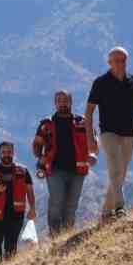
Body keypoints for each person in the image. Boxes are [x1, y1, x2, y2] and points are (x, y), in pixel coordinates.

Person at [85, 47, 133, 221]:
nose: (120, 64)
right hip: (108, 132)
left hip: (130, 132)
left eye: (123, 60)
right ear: (109, 62)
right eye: (117, 60)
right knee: (115, 169)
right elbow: (89, 111)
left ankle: (106, 213)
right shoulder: (100, 83)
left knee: (121, 173)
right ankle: (120, 207)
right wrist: (90, 138)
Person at [33, 90, 95, 236]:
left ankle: (67, 236)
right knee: (56, 202)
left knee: (72, 205)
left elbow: (93, 142)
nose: (62, 103)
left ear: (71, 102)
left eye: (65, 100)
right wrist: (40, 157)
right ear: (55, 103)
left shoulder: (83, 122)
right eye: (59, 100)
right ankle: (55, 236)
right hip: (54, 169)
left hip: (78, 170)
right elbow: (37, 144)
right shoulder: (46, 124)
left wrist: (92, 154)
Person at [0, 140, 36, 263]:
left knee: (10, 247)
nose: (6, 154)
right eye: (3, 152)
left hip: (16, 215)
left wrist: (32, 208)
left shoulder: (23, 171)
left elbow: (30, 191)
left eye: (9, 152)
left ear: (13, 153)